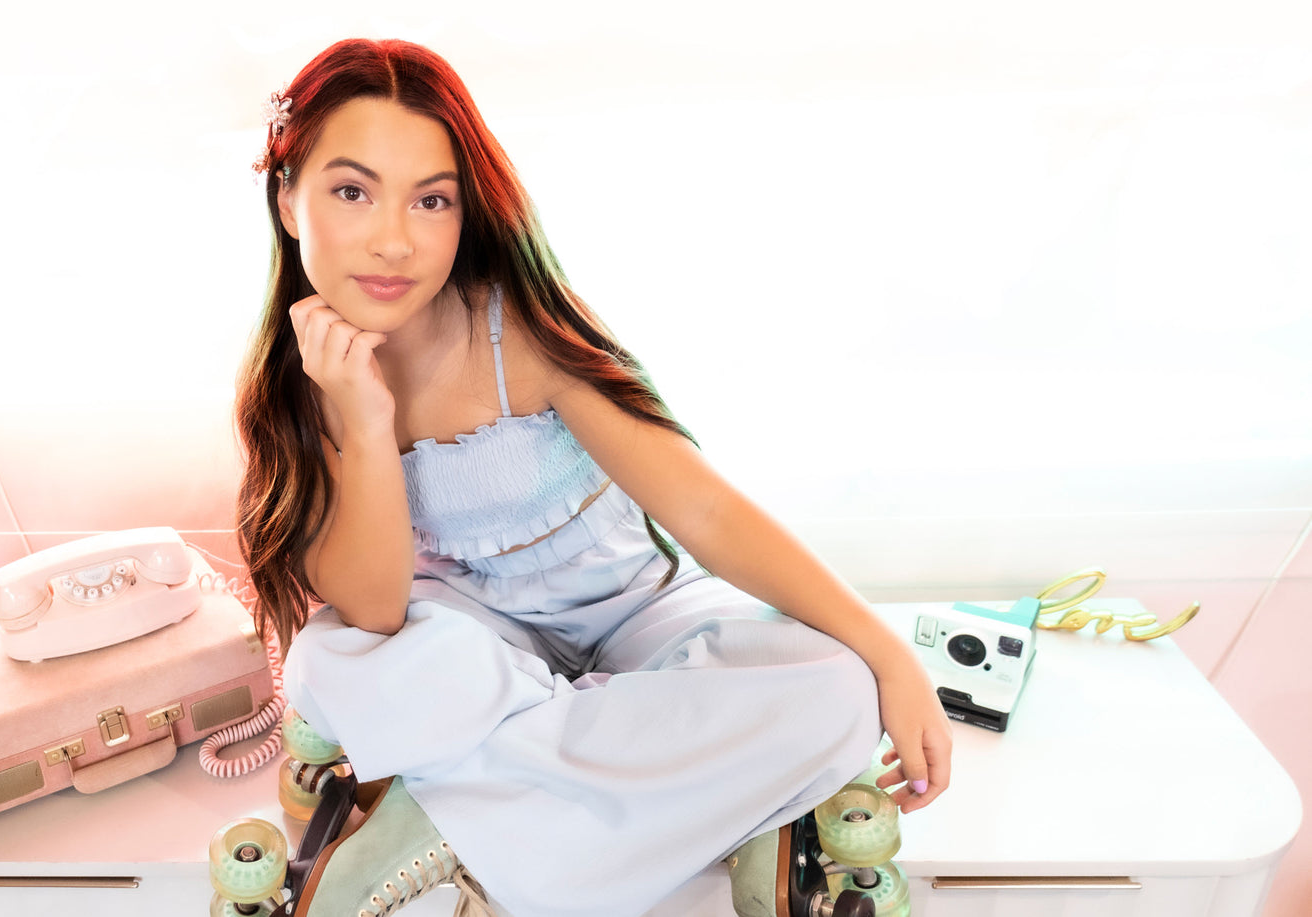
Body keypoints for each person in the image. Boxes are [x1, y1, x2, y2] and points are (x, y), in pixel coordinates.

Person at [234, 37, 952, 917]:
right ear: (288, 197)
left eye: (432, 200)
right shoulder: (297, 386)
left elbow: (702, 509)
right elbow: (377, 608)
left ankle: (448, 820)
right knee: (330, 660)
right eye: (352, 191)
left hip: (641, 613)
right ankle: (734, 807)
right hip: (486, 649)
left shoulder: (518, 329)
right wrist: (364, 414)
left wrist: (887, 653)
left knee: (837, 686)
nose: (392, 240)